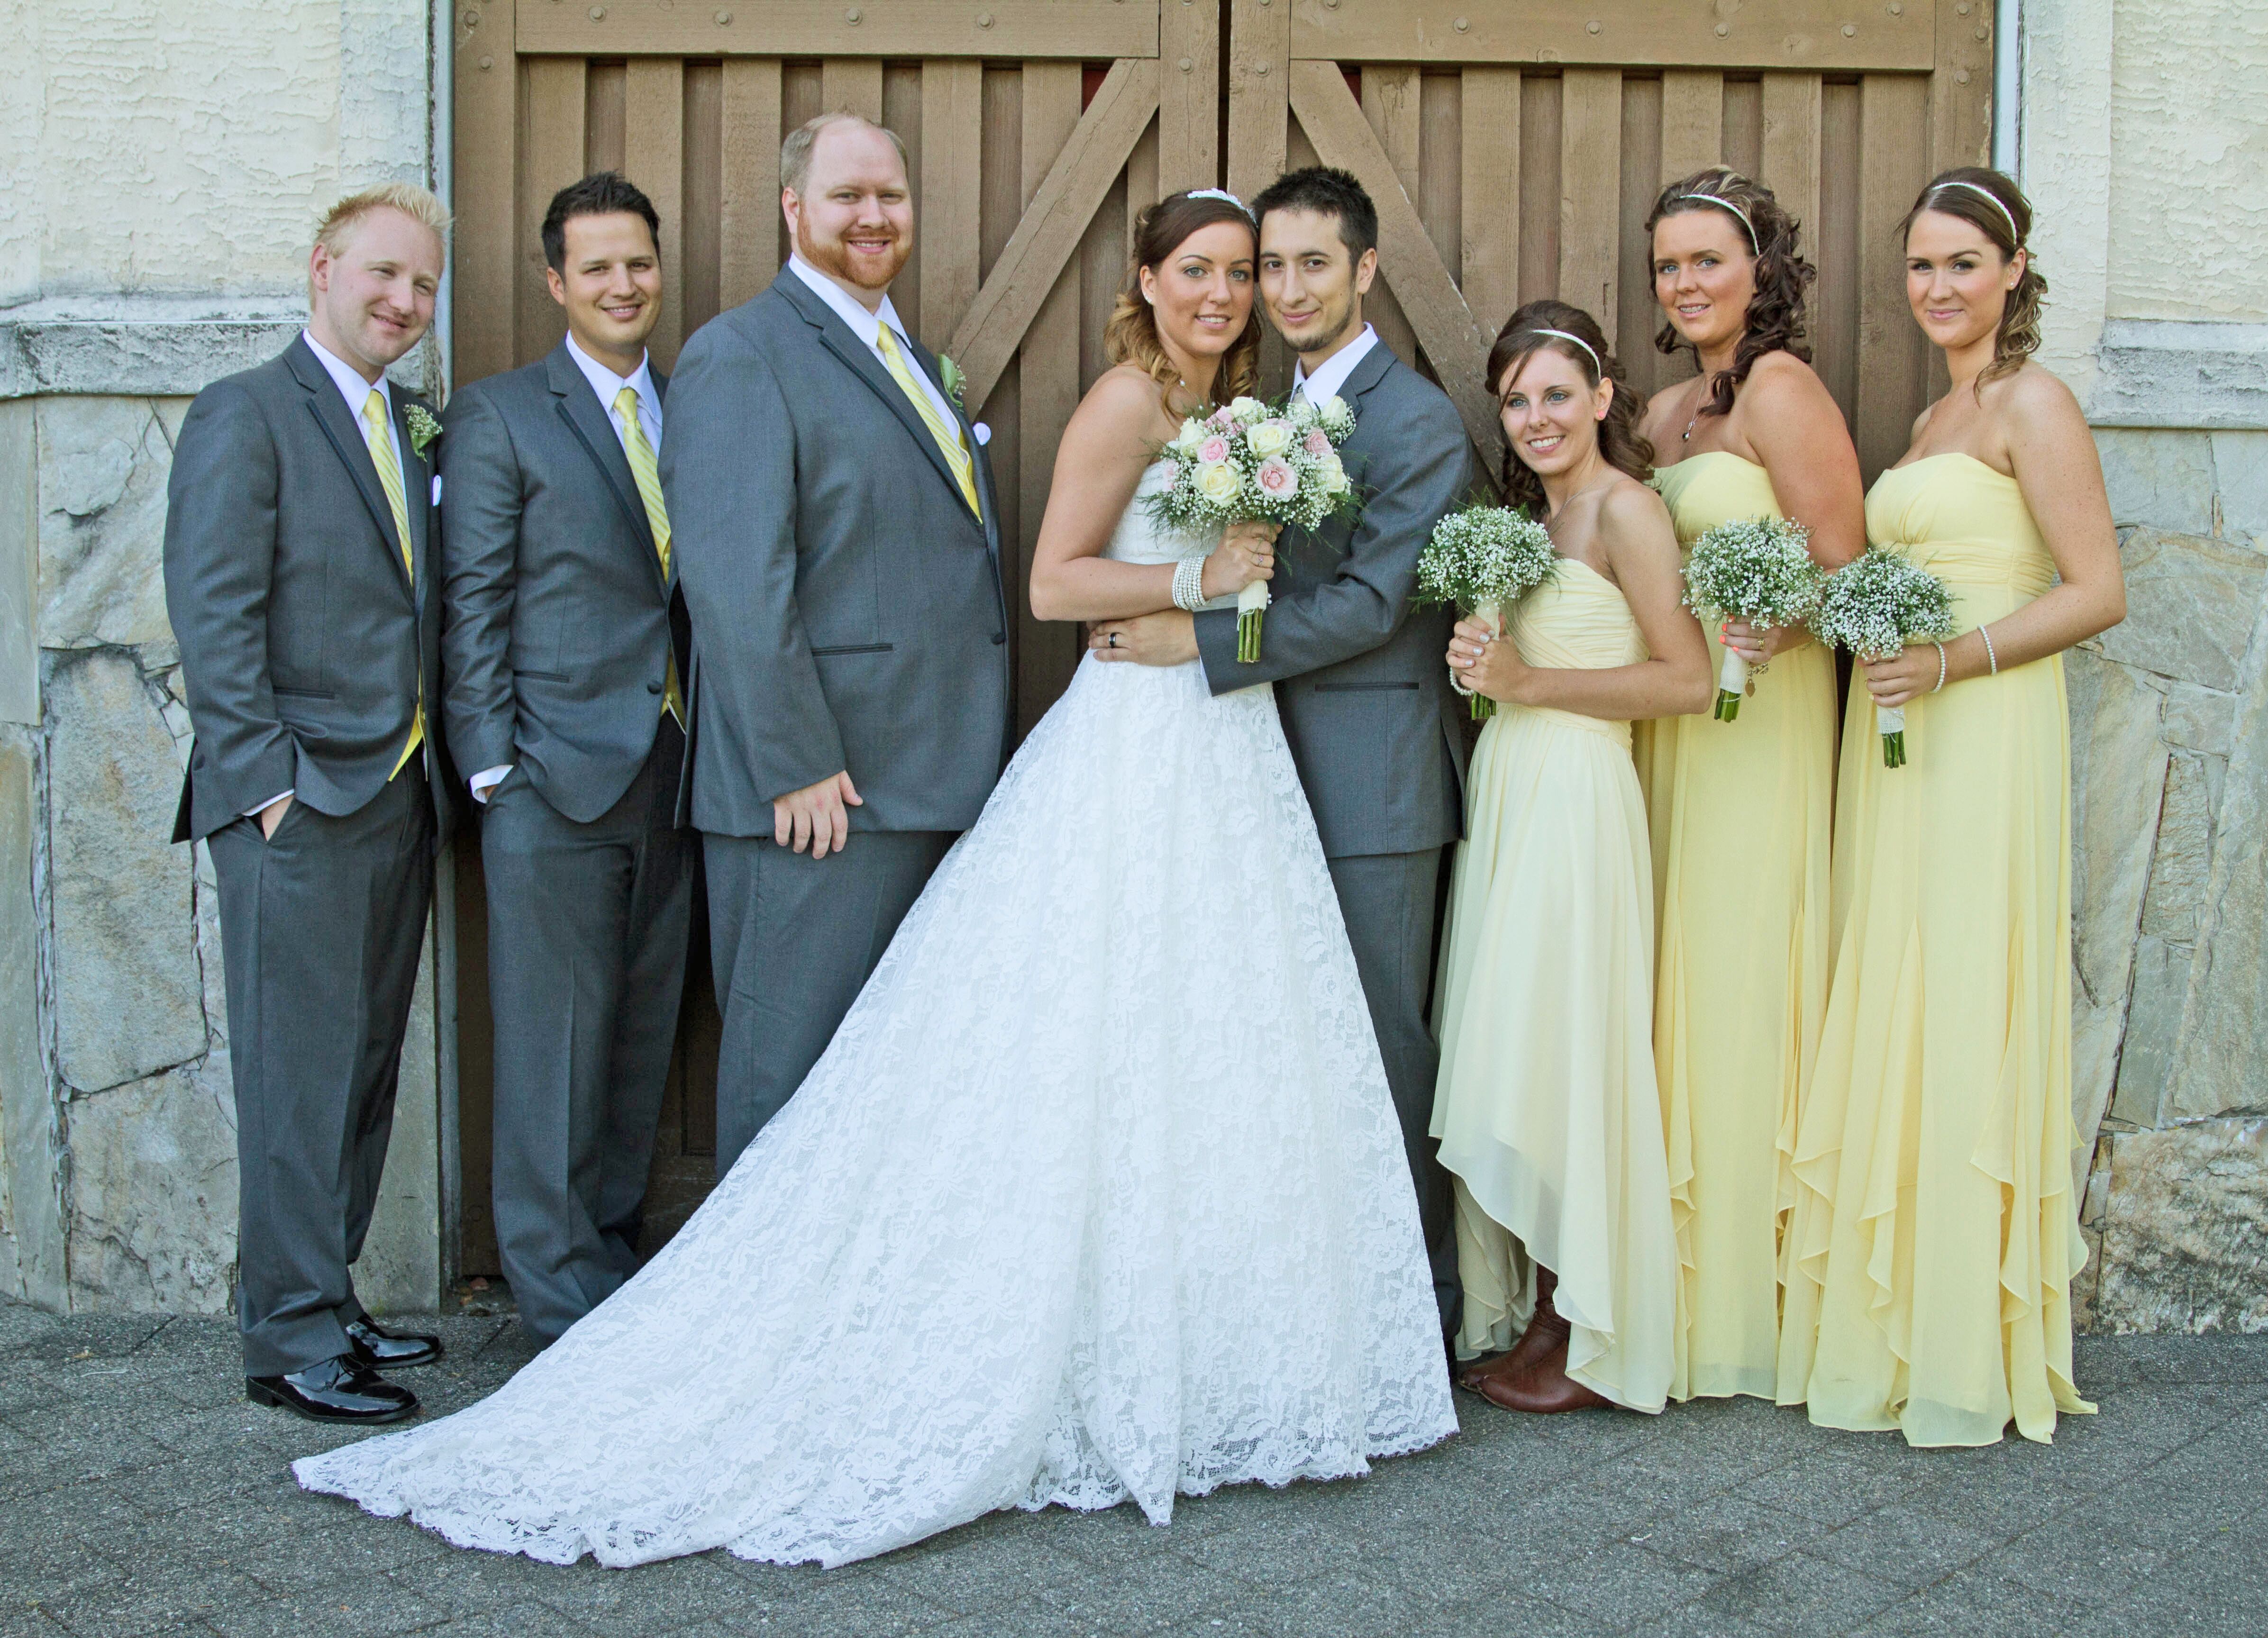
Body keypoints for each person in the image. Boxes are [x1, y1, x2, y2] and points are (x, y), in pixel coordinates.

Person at [291, 187, 1456, 1567]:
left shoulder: (1242, 420)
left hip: (1226, 749)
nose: (1222, 293)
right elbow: (1054, 584)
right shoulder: (1126, 405)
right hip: (1138, 733)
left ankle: (1206, 1334)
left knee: (1209, 1036)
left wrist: (1216, 599)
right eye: (1195, 271)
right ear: (1141, 283)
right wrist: (1196, 582)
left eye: (1240, 274)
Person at [1090, 166, 1477, 1344]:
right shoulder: (1256, 409)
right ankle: (1302, 1307)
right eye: (1273, 266)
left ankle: (1414, 1315)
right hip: (1251, 771)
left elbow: (1368, 607)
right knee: (1281, 1047)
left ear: (1365, 270)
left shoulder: (1415, 421)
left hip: (1374, 779)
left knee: (1379, 1043)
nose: (1288, 287)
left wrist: (1191, 640)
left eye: (1316, 263)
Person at [1776, 167, 2122, 1446]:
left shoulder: (2035, 405)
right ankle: (1899, 1316)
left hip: (1983, 728)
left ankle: (1968, 1340)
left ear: (2013, 271)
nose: (1937, 288)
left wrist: (1955, 660)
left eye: (1962, 264)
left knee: (1966, 985)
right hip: (1904, 728)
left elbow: (2098, 590)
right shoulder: (1933, 422)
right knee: (1906, 984)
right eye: (1920, 267)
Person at [163, 185, 457, 1424]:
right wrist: (268, 786)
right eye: (383, 275)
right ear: (324, 269)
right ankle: (283, 1338)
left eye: (423, 287)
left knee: (362, 1068)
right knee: (297, 1075)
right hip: (300, 799)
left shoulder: (407, 424)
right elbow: (213, 614)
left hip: (398, 791)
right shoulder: (248, 414)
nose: (403, 302)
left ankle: (326, 1301)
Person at [666, 112, 1010, 1175]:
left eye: (890, 196)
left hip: (923, 777)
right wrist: (798, 760)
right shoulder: (739, 354)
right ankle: (756, 1335)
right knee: (789, 1088)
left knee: (882, 1100)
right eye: (847, 196)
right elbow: (734, 583)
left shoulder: (903, 353)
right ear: (792, 209)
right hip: (822, 798)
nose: (873, 216)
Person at [1434, 302, 1712, 1414]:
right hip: (1512, 788)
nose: (1537, 416)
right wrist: (1477, 658)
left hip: (1582, 790)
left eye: (1558, 393)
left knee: (1564, 1041)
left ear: (1603, 399)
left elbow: (1686, 683)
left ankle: (1580, 1319)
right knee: (1513, 1036)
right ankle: (1528, 1306)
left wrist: (1528, 684)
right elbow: (1510, 667)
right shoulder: (1524, 524)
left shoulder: (1626, 511)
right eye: (1516, 399)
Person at [438, 172, 694, 1344]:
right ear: (557, 282)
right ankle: (554, 1300)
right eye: (596, 267)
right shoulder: (501, 414)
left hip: (681, 772)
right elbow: (473, 596)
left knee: (638, 1037)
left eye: (636, 261)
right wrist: (492, 765)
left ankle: (609, 1268)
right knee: (551, 1051)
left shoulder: (698, 408)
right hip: (550, 776)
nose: (622, 284)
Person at [1630, 168, 1863, 1403]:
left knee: (1734, 981)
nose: (1686, 282)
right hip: (1675, 735)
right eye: (1669, 265)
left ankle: (1746, 1301)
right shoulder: (1664, 414)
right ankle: (1663, 1286)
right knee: (1671, 981)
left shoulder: (1785, 393)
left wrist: (1784, 615)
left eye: (1709, 260)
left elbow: (1850, 576)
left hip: (1759, 733)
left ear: (1763, 269)